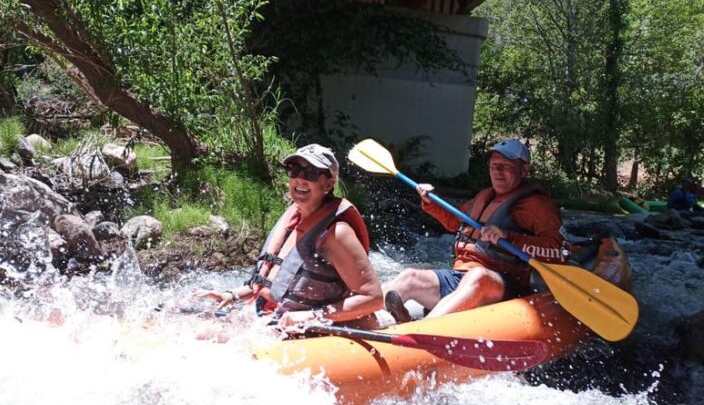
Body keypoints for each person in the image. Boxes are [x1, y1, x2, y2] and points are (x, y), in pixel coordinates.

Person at [194, 144, 383, 332]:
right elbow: (275, 283)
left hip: (306, 327)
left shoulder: (337, 234)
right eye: (295, 171)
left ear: (328, 183)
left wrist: (313, 316)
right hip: (267, 316)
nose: (300, 178)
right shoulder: (294, 218)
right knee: (197, 325)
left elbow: (373, 298)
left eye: (311, 173)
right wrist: (232, 295)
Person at [383, 139, 566, 323]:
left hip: (503, 284)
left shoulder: (537, 205)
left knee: (478, 277)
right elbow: (456, 223)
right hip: (460, 277)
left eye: (506, 166)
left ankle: (419, 330)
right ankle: (365, 316)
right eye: (494, 165)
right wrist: (432, 203)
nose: (497, 171)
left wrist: (509, 237)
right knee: (410, 277)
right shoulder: (483, 197)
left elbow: (557, 251)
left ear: (524, 169)